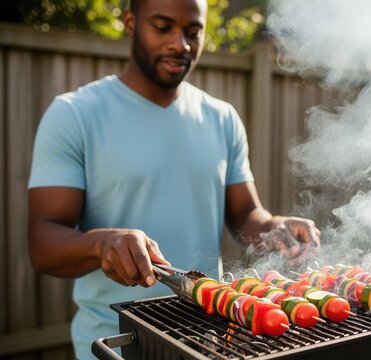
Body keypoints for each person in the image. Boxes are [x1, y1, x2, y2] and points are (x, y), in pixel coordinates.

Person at [27, 0, 320, 358]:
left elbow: (245, 214)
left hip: (210, 341)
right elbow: (43, 243)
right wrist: (101, 244)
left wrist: (276, 227)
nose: (180, 44)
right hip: (114, 344)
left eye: (192, 32)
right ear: (131, 22)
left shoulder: (222, 117)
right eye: (163, 27)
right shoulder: (74, 114)